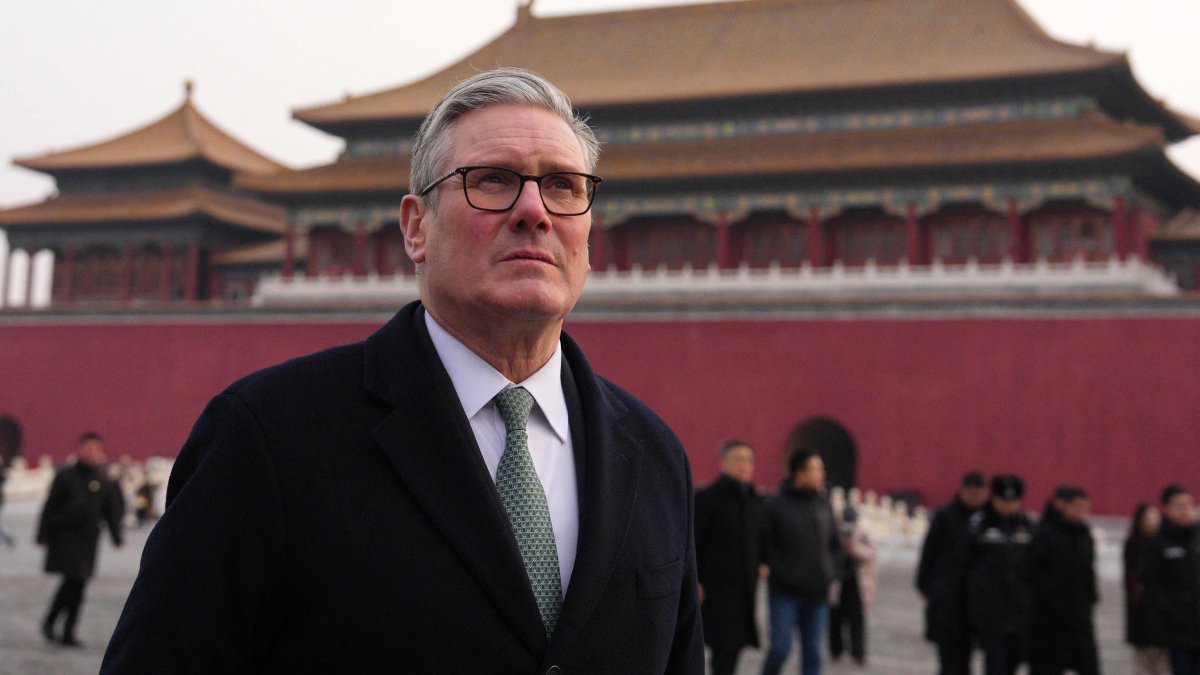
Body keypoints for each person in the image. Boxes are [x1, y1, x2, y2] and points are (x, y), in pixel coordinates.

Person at [101, 68, 702, 673]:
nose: (533, 211)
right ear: (416, 227)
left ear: (589, 230)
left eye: (564, 186)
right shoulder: (271, 435)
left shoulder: (653, 453)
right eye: (491, 181)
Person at [36, 431, 124, 647]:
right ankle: (61, 627)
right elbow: (50, 506)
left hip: (88, 540)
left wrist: (116, 536)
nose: (92, 453)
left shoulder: (102, 479)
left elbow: (110, 510)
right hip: (67, 538)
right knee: (73, 581)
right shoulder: (66, 476)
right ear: (79, 449)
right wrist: (43, 534)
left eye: (96, 449)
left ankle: (60, 626)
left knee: (77, 584)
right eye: (88, 448)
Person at [760, 449, 843, 675]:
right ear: (799, 473)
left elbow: (835, 544)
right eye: (816, 469)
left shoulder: (823, 503)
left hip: (818, 593)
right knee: (780, 648)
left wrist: (832, 573)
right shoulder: (776, 504)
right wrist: (776, 569)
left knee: (813, 653)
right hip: (784, 592)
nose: (821, 474)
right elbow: (765, 545)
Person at [695, 438, 765, 675]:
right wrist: (695, 579)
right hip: (716, 589)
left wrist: (766, 563)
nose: (745, 465)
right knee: (719, 648)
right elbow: (694, 542)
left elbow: (762, 538)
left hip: (745, 589)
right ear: (723, 462)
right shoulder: (707, 499)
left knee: (732, 649)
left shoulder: (755, 500)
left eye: (749, 460)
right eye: (738, 459)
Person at [916, 470, 989, 675]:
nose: (975, 498)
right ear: (962, 491)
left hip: (975, 601)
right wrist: (923, 583)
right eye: (971, 493)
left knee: (966, 660)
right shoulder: (946, 515)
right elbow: (929, 551)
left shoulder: (989, 518)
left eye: (979, 493)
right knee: (948, 658)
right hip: (948, 598)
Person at [1027, 485, 1100, 675]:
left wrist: (1090, 599)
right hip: (1047, 619)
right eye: (1077, 507)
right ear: (1061, 505)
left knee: (1089, 665)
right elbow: (1033, 573)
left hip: (1079, 616)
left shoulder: (1084, 534)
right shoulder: (1043, 533)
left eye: (1085, 508)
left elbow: (1088, 571)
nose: (1082, 513)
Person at [964, 474, 1034, 675]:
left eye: (1013, 501)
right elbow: (965, 568)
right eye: (1003, 500)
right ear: (993, 498)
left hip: (1019, 612)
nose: (1008, 506)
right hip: (990, 612)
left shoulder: (1027, 526)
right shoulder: (979, 526)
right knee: (995, 665)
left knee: (1015, 661)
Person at [1142, 484, 1200, 675]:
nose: (1185, 510)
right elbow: (1152, 586)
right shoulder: (1157, 543)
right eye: (1179, 505)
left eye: (1188, 505)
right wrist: (1169, 615)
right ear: (1166, 509)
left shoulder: (1197, 539)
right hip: (1177, 632)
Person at [828, 505, 877, 666]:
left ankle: (859, 652)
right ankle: (836, 650)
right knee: (835, 619)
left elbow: (871, 552)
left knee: (857, 620)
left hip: (858, 582)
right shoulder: (835, 532)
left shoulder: (863, 533)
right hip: (838, 581)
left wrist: (853, 547)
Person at [1125, 502, 1168, 675]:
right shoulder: (1134, 543)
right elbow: (1131, 580)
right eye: (1150, 517)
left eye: (1156, 516)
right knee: (1143, 660)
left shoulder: (1164, 542)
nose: (1154, 521)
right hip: (1141, 608)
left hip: (1166, 610)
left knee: (1163, 660)